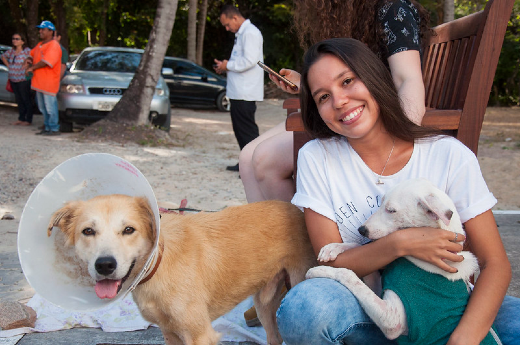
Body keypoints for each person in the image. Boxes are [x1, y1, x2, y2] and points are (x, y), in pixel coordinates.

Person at [275, 37, 520, 345]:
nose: (339, 101)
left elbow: (495, 263)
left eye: (347, 81)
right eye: (323, 97)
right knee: (304, 310)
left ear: (374, 77)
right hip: (365, 311)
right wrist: (401, 243)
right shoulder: (317, 157)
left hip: (444, 309)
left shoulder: (448, 155)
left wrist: (463, 340)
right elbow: (330, 263)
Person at [239, 0, 428, 202]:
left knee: (265, 161)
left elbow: (408, 79)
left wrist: (400, 141)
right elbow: (342, 82)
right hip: (342, 111)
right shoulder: (347, 20)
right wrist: (305, 85)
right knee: (246, 156)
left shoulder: (393, 9)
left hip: (374, 119)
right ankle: (272, 234)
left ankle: (304, 233)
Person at [214, 4, 264, 172]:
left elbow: (250, 61)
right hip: (239, 91)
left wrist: (228, 65)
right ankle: (245, 163)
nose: (227, 29)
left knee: (247, 131)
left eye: (227, 24)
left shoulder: (250, 33)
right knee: (240, 130)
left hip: (245, 92)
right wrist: (225, 65)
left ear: (235, 17)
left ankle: (254, 167)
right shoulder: (242, 34)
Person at [24, 20, 62, 136]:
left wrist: (32, 68)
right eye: (40, 29)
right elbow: (32, 54)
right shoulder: (40, 44)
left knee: (50, 107)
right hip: (39, 83)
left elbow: (46, 62)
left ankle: (54, 128)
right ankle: (47, 126)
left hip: (49, 83)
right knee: (42, 107)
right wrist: (29, 60)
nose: (40, 31)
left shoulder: (54, 45)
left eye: (43, 29)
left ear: (51, 32)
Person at [1, 33, 33, 126]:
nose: (14, 40)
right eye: (13, 39)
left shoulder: (26, 51)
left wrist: (28, 64)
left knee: (26, 99)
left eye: (17, 39)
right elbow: (3, 56)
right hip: (13, 78)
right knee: (18, 99)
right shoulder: (11, 51)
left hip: (23, 79)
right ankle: (21, 118)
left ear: (22, 41)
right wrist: (8, 66)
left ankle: (28, 119)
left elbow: (33, 57)